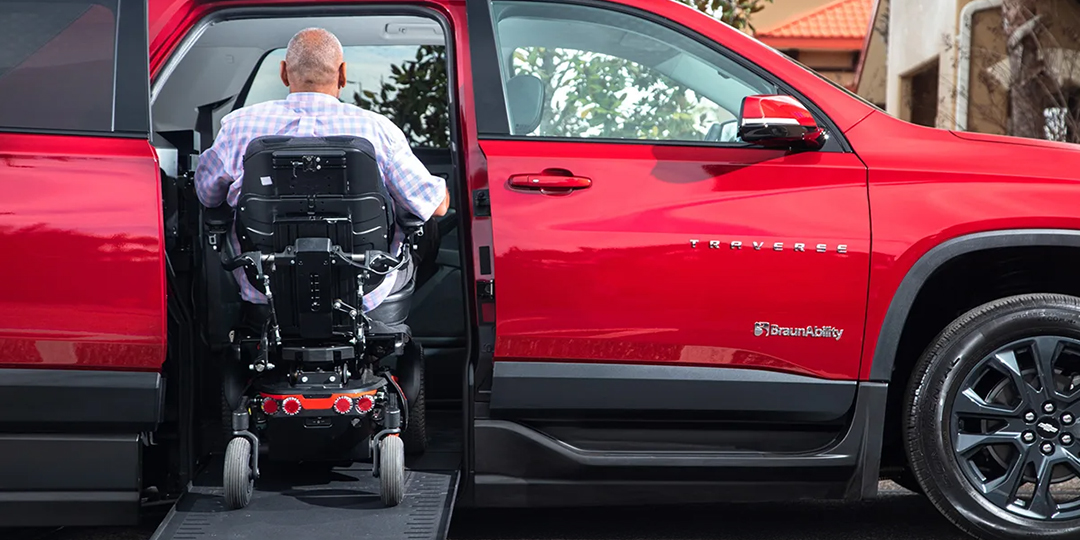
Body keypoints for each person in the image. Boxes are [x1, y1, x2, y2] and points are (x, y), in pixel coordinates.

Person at [194, 27, 450, 314]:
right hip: (367, 288)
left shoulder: (238, 127)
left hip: (264, 286)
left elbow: (207, 195)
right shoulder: (377, 130)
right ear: (342, 74)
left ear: (283, 72)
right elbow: (436, 206)